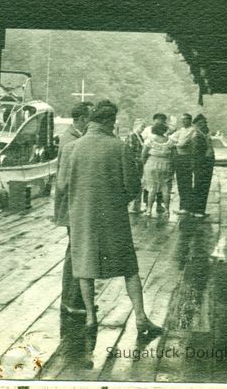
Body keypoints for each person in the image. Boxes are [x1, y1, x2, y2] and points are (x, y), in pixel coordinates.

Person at [63, 100, 162, 360]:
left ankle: (91, 319)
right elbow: (133, 185)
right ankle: (141, 318)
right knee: (129, 268)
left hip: (82, 216)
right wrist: (118, 200)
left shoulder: (71, 148)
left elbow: (62, 185)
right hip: (113, 217)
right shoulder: (119, 148)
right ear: (109, 121)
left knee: (84, 268)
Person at [53, 101, 93, 355]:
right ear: (80, 119)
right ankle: (70, 300)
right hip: (72, 206)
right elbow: (64, 182)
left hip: (74, 205)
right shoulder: (70, 142)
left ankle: (73, 298)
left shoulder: (74, 138)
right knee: (74, 251)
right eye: (89, 118)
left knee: (74, 250)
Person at [141, 120, 176, 218]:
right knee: (166, 189)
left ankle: (148, 210)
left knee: (151, 189)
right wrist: (172, 167)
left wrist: (145, 165)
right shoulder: (170, 142)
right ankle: (167, 211)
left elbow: (143, 155)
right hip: (166, 164)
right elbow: (174, 156)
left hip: (151, 164)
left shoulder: (150, 140)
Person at [169, 113, 197, 214]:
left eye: (185, 119)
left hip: (187, 158)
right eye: (182, 120)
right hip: (179, 158)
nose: (183, 121)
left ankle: (187, 207)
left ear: (190, 120)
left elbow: (183, 144)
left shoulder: (193, 130)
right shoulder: (181, 130)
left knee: (186, 182)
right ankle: (183, 206)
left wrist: (177, 143)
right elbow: (171, 138)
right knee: (180, 182)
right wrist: (177, 143)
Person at [141, 112, 168, 213]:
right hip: (149, 155)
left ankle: (159, 204)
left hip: (159, 157)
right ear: (154, 120)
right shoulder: (148, 129)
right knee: (148, 184)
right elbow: (142, 140)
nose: (160, 121)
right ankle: (146, 204)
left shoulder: (165, 131)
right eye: (158, 119)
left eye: (162, 120)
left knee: (161, 185)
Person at [190, 113, 215, 218]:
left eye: (205, 123)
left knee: (202, 186)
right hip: (201, 164)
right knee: (201, 186)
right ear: (196, 125)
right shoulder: (197, 136)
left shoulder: (204, 135)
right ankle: (198, 210)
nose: (204, 125)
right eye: (201, 123)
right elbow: (196, 153)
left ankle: (198, 209)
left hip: (205, 164)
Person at [126, 118, 146, 214]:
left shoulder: (140, 137)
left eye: (144, 127)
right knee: (134, 184)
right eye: (142, 127)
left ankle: (136, 206)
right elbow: (129, 151)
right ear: (136, 126)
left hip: (139, 164)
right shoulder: (132, 136)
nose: (143, 129)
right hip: (134, 164)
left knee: (139, 184)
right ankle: (133, 206)